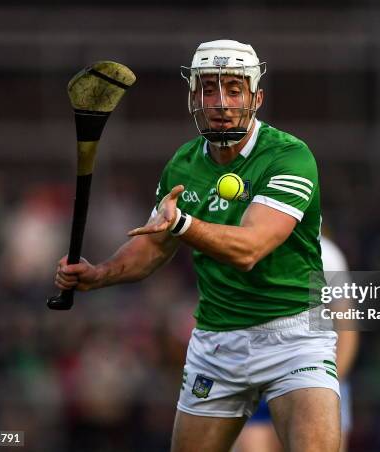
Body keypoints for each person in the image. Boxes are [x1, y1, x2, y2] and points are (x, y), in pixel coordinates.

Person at [54, 39, 340, 452]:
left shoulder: (289, 157)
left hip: (293, 337)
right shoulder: (183, 165)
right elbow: (152, 249)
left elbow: (250, 248)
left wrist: (184, 223)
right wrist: (98, 274)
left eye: (234, 89)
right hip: (217, 342)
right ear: (193, 97)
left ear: (256, 97)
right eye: (209, 89)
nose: (221, 102)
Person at [235, 235, 359, 452]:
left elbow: (347, 328)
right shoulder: (245, 247)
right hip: (258, 378)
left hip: (317, 374)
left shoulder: (325, 255)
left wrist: (328, 387)